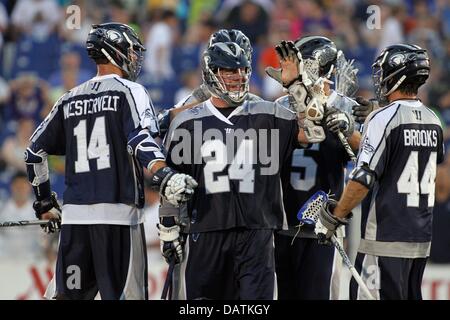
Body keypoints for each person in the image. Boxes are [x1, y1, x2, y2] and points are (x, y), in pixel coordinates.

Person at [24, 23, 197, 300]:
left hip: (76, 222)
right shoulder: (131, 90)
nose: (135, 57)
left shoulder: (69, 98)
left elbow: (33, 153)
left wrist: (44, 204)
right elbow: (140, 138)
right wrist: (164, 174)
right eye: (131, 50)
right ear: (115, 51)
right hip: (119, 220)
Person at [160, 38, 315, 299]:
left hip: (258, 231)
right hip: (207, 230)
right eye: (229, 70)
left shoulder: (269, 113)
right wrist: (169, 228)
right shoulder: (187, 122)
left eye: (242, 70)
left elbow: (313, 132)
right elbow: (171, 182)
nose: (238, 76)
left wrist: (296, 86)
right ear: (211, 72)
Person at [315, 44, 444, 300]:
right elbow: (402, 155)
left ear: (396, 75)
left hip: (384, 237)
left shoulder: (383, 118)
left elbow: (363, 176)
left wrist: (335, 216)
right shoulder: (434, 119)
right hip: (419, 240)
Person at [273, 36, 361, 300]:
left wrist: (347, 126)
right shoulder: (280, 105)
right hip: (284, 219)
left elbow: (366, 154)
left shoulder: (347, 106)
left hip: (325, 224)